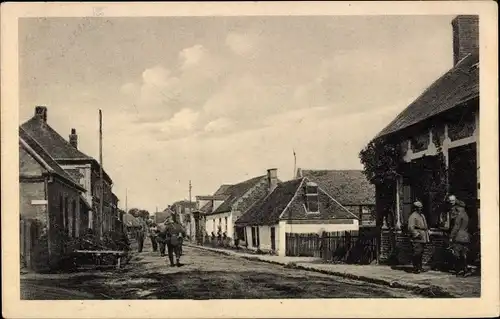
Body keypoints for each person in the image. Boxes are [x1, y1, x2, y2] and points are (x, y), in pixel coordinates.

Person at [447, 195, 471, 277]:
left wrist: (451, 237)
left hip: (458, 237)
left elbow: (456, 227)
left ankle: (460, 270)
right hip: (465, 236)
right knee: (464, 254)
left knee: (457, 254)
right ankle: (464, 270)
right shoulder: (466, 215)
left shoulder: (459, 215)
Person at [408, 201, 430, 274]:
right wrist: (417, 234)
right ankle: (416, 268)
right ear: (415, 208)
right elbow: (411, 227)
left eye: (421, 207)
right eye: (418, 208)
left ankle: (420, 267)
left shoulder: (422, 215)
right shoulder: (413, 216)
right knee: (417, 252)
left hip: (423, 236)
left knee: (421, 253)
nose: (420, 209)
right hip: (417, 237)